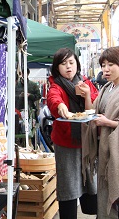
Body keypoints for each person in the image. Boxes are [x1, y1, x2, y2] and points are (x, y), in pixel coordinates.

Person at [46, 48, 98, 219]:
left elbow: (96, 106)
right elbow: (54, 99)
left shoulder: (86, 82)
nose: (68, 67)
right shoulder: (56, 85)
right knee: (68, 184)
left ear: (77, 64)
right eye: (63, 63)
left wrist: (88, 95)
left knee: (91, 179)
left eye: (71, 62)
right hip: (66, 143)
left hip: (87, 140)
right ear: (57, 67)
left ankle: (91, 208)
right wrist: (60, 107)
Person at [82, 46, 119, 218]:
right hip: (104, 149)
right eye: (103, 65)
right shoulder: (106, 88)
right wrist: (88, 94)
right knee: (105, 188)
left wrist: (107, 122)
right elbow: (92, 112)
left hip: (116, 150)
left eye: (111, 64)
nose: (106, 69)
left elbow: (103, 119)